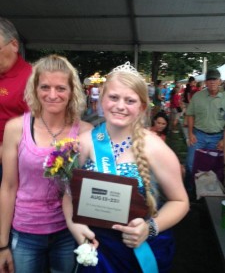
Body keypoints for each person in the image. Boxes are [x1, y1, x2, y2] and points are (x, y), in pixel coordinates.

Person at [63, 62, 189, 273]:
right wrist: (73, 224)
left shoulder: (155, 147)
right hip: (98, 248)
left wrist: (149, 228)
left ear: (141, 106)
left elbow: (181, 201)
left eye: (129, 100)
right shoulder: (84, 142)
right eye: (113, 97)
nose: (120, 106)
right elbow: (68, 194)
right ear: (102, 100)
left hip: (139, 248)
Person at [0, 54, 93, 273]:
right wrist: (2, 243)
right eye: (45, 87)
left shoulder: (86, 132)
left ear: (72, 92)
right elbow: (8, 187)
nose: (52, 95)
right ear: (34, 89)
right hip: (25, 233)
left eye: (61, 88)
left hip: (67, 233)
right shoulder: (16, 128)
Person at [0, 17, 32, 185]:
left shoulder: (32, 79)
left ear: (14, 45)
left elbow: (39, 131)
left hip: (9, 163)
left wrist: (4, 151)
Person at [185, 69, 225, 189]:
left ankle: (207, 190)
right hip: (199, 135)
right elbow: (190, 114)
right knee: (190, 163)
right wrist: (191, 133)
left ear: (220, 81)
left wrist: (223, 140)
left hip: (217, 137)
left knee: (212, 165)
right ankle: (190, 188)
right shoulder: (198, 96)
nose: (212, 82)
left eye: (215, 79)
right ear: (205, 82)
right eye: (209, 79)